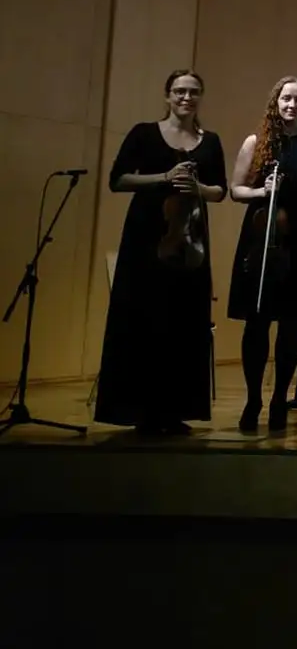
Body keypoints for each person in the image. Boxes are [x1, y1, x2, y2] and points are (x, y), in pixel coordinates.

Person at [95, 69, 228, 436]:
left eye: (193, 92)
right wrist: (164, 178)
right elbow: (118, 180)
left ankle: (175, 410)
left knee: (184, 323)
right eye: (179, 91)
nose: (186, 97)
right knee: (143, 319)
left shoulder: (210, 141)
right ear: (167, 95)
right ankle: (140, 410)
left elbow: (220, 190)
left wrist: (198, 187)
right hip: (145, 239)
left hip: (190, 242)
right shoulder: (144, 133)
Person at [226, 76, 297, 434]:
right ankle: (253, 399)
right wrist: (262, 191)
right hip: (262, 243)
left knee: (291, 325)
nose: (292, 105)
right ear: (276, 101)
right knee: (256, 324)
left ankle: (279, 399)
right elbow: (235, 190)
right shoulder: (256, 142)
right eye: (287, 98)